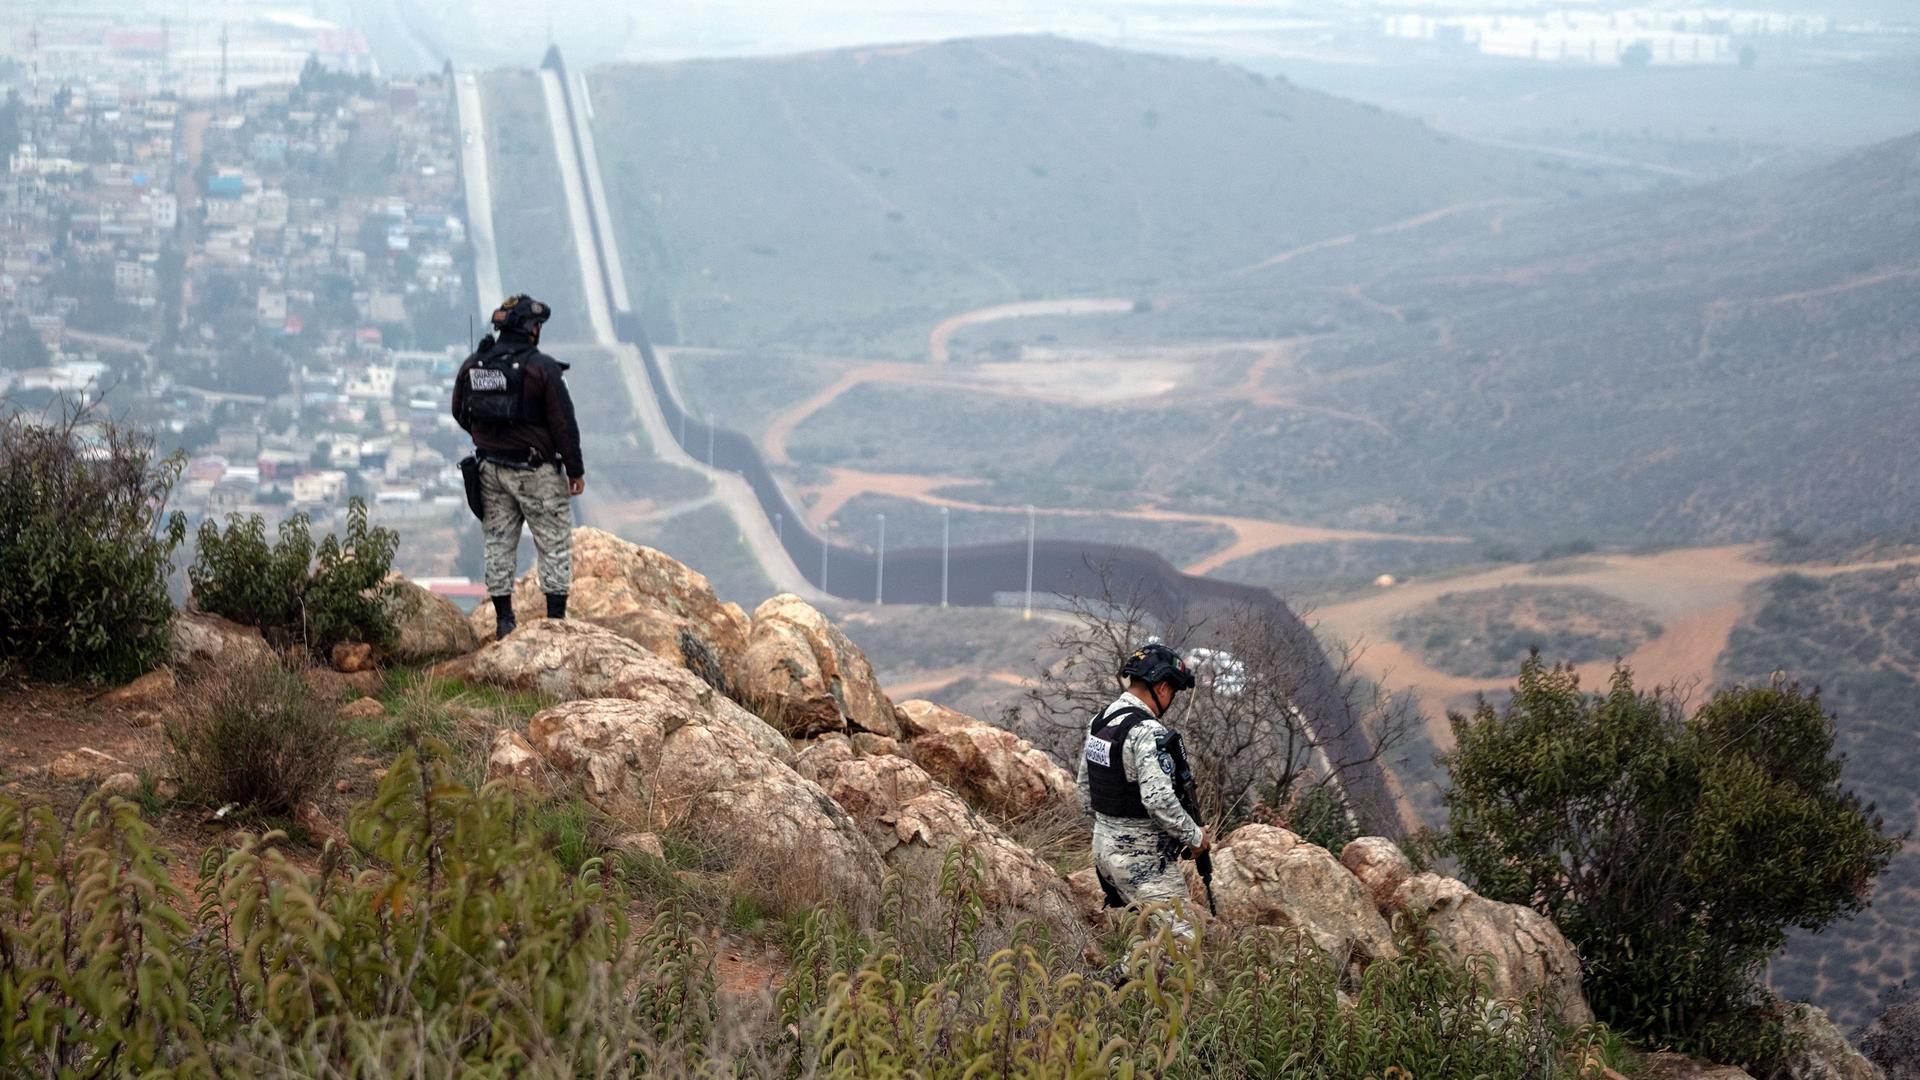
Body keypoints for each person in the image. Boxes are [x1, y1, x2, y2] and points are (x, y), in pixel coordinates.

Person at [451, 294, 585, 638]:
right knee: (553, 544)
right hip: (535, 472)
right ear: (530, 329)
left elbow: (459, 410)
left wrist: (488, 439)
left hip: (489, 471)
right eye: (537, 325)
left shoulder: (474, 365)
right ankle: (555, 624)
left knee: (498, 542)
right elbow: (563, 424)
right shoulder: (542, 368)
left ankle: (504, 621)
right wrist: (575, 469)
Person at [1077, 642, 1208, 940]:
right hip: (1142, 859)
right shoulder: (1148, 732)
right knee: (1180, 945)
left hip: (1104, 852)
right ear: (1162, 688)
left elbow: (1084, 790)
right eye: (1173, 693)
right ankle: (1110, 986)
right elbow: (1158, 800)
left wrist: (1107, 834)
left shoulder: (1102, 721)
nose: (1171, 699)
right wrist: (1195, 837)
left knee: (1143, 940)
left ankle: (1122, 984)